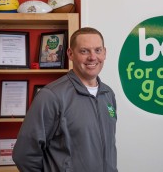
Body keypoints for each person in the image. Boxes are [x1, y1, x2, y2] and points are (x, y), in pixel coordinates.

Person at [12, 27, 118, 172]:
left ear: (104, 53)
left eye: (98, 50)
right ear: (70, 54)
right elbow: (24, 155)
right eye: (84, 51)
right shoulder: (51, 96)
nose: (93, 57)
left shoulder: (108, 94)